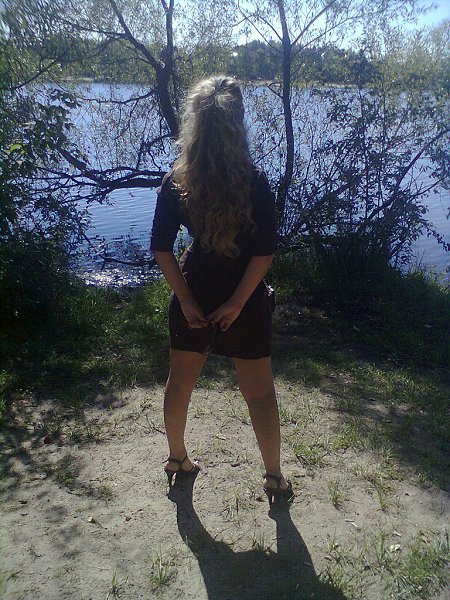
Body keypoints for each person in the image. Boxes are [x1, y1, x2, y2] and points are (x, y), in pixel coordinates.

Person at [150, 75, 293, 505]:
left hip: (195, 289)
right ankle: (274, 477)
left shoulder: (176, 180)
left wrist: (187, 300)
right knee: (260, 392)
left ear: (194, 124)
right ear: (239, 123)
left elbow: (161, 248)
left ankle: (177, 459)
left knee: (180, 383)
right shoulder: (255, 180)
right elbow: (264, 253)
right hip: (245, 299)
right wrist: (236, 303)